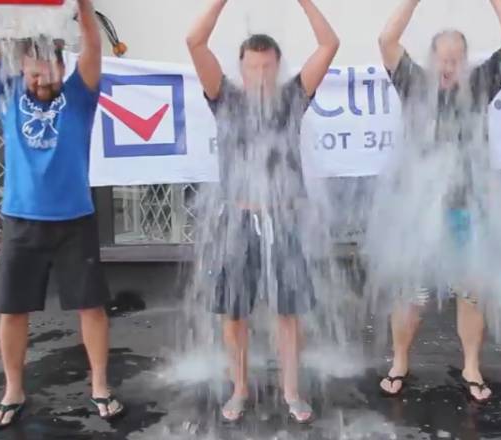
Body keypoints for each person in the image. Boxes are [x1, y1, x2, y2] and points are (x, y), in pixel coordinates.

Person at [0, 0, 124, 429]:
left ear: (62, 68)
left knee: (91, 307)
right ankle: (13, 389)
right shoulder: (6, 91)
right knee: (12, 310)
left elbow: (92, 44)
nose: (40, 79)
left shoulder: (80, 95)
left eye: (47, 72)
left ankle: (100, 384)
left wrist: (82, 4)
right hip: (21, 220)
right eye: (32, 73)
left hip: (75, 220)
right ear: (22, 70)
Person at [186, 0, 339, 424]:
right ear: (241, 68)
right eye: (252, 67)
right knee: (234, 312)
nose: (260, 74)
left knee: (289, 311)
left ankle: (291, 390)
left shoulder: (292, 98)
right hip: (238, 220)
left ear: (277, 66)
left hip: (284, 219)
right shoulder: (225, 98)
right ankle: (239, 387)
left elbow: (329, 44)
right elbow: (194, 41)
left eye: (267, 66)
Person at [376, 0, 501, 403]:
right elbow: (386, 39)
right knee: (411, 292)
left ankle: (471, 366)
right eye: (443, 58)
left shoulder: (478, 85)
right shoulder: (413, 83)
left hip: (466, 211)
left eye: (456, 58)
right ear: (431, 59)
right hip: (417, 212)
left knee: (471, 289)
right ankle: (399, 361)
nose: (449, 65)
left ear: (466, 61)